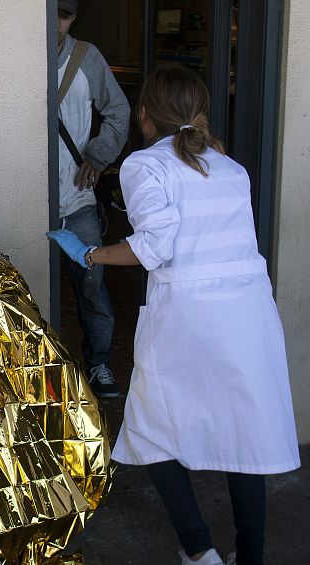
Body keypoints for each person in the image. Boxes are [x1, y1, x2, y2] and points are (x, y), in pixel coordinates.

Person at [47, 66, 300, 565]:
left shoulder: (145, 165)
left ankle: (199, 550)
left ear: (144, 115)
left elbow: (153, 249)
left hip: (190, 315)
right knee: (244, 433)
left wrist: (89, 254)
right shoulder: (231, 167)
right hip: (250, 312)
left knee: (149, 429)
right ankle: (250, 557)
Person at [55, 0, 130, 398]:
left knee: (92, 286)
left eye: (64, 15)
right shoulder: (18, 56)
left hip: (78, 199)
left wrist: (98, 155)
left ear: (73, 17)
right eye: (52, 13)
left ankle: (99, 363)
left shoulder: (87, 57)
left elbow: (118, 110)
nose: (57, 23)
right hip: (35, 196)